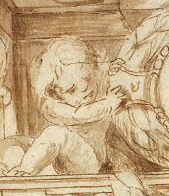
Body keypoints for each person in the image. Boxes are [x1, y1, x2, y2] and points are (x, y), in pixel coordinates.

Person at [7, 35, 128, 175]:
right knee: (54, 133)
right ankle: (26, 169)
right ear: (54, 93)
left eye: (87, 78)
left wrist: (111, 72)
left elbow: (102, 81)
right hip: (80, 161)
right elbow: (81, 114)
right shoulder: (53, 107)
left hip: (103, 160)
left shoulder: (94, 94)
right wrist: (108, 104)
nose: (85, 89)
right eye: (71, 89)